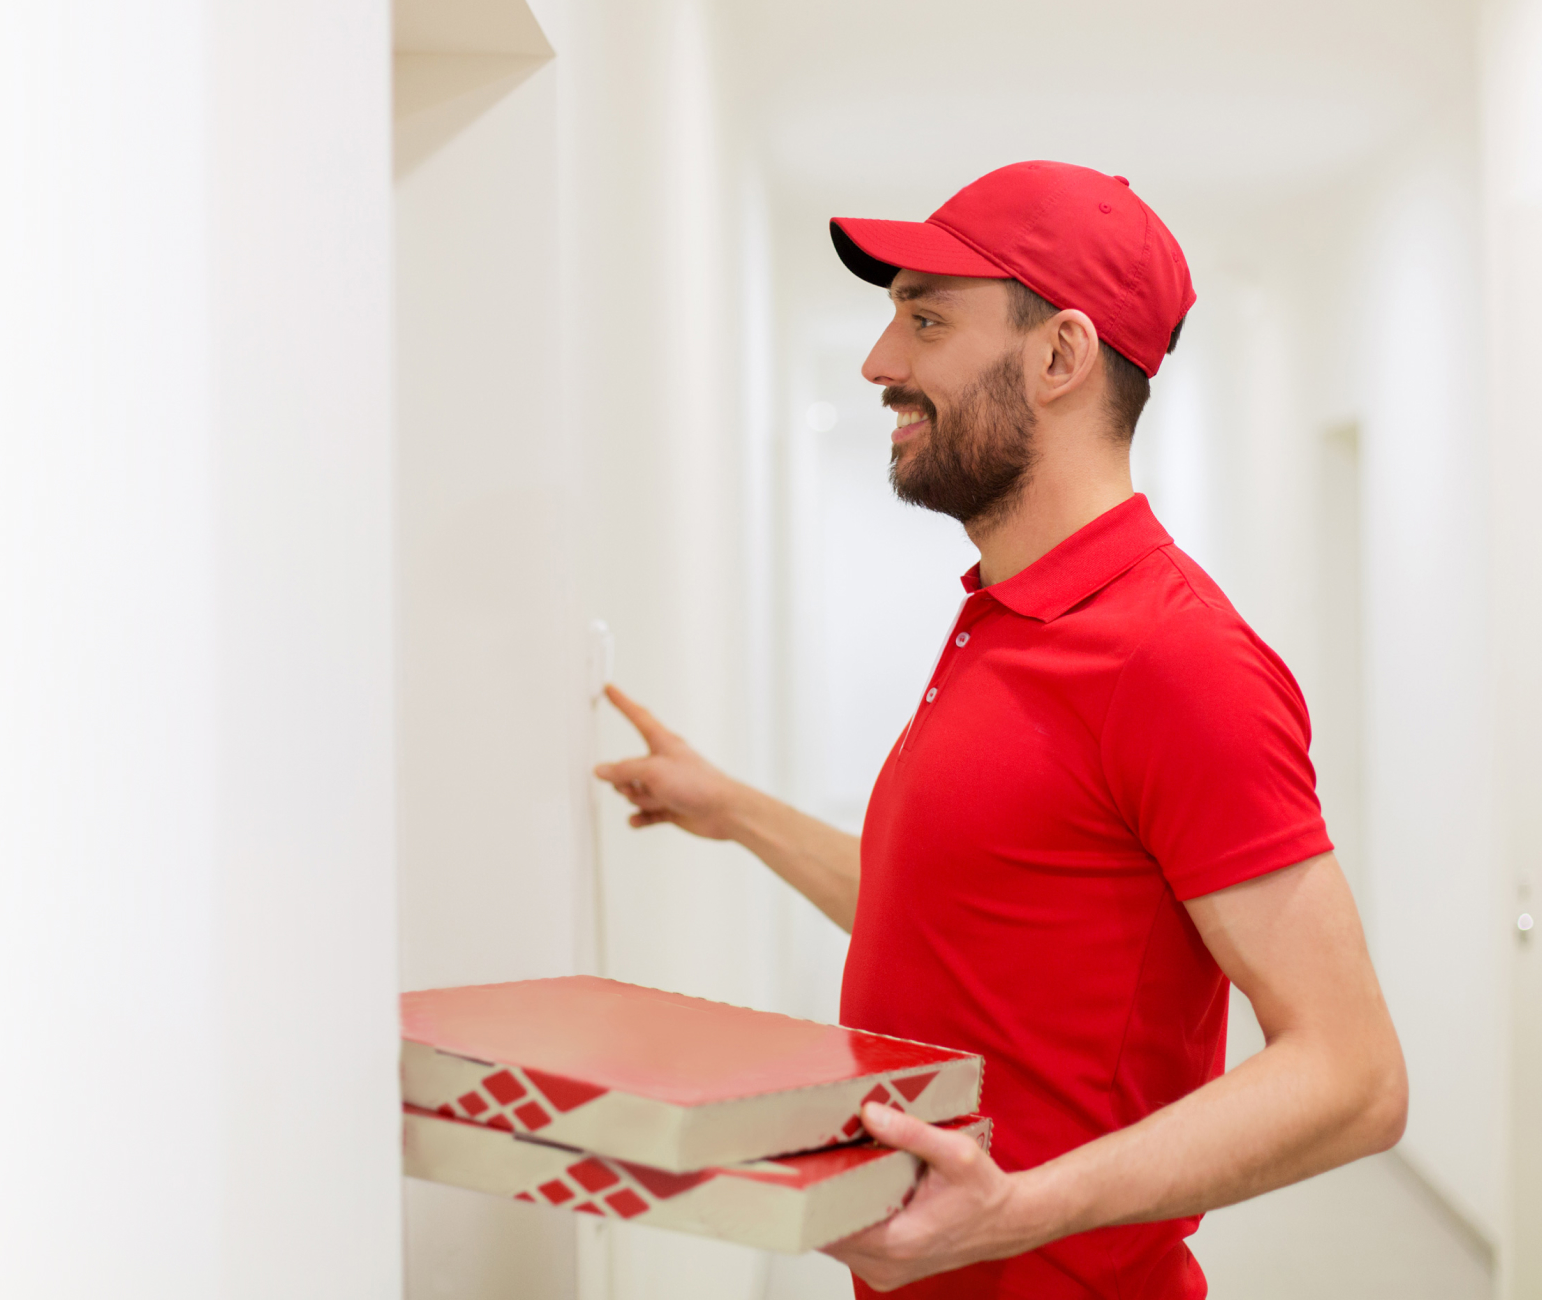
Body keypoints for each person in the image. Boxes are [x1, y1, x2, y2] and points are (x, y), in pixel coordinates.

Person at [591, 162, 1405, 1298]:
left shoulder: (1177, 660)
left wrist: (1016, 1212)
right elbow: (960, 921)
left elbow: (1354, 1073)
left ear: (1060, 357)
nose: (880, 362)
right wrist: (730, 809)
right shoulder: (1001, 617)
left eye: (924, 320)